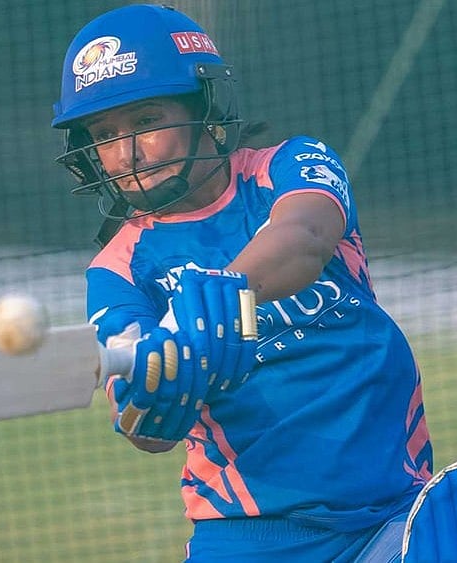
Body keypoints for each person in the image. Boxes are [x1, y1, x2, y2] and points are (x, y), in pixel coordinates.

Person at [51, 4, 433, 561]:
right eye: (106, 134)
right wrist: (155, 396)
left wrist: (214, 298)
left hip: (392, 514)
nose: (128, 153)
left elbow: (304, 237)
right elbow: (145, 431)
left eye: (147, 122)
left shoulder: (289, 166)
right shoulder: (116, 269)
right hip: (248, 535)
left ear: (205, 107)